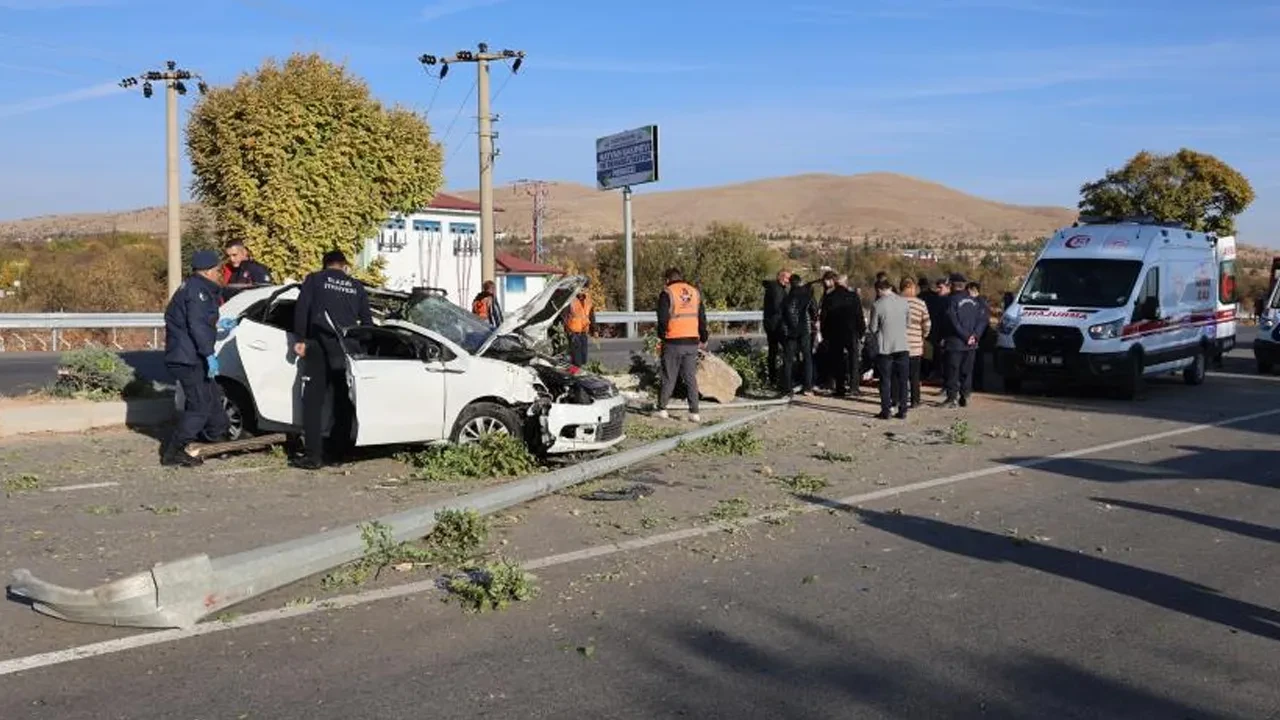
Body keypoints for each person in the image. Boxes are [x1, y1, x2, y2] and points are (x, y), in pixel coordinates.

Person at [292, 250, 373, 470]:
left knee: (312, 402)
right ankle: (338, 454)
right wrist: (363, 348)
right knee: (343, 401)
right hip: (346, 349)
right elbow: (367, 322)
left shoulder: (315, 279)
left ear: (325, 265)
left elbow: (302, 310)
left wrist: (300, 338)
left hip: (318, 345)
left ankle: (313, 456)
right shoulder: (356, 286)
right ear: (344, 266)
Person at [160, 250, 230, 467]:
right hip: (187, 358)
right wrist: (209, 354)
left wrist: (218, 324)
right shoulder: (196, 291)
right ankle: (174, 452)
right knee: (199, 405)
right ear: (209, 271)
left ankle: (218, 439)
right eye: (218, 269)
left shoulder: (197, 288)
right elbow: (197, 325)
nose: (221, 273)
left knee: (212, 396)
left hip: (192, 354)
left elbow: (197, 321)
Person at [655, 267, 708, 422]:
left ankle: (662, 409)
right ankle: (694, 412)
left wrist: (662, 335)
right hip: (692, 340)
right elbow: (702, 317)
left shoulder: (667, 292)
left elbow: (663, 318)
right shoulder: (694, 292)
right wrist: (703, 336)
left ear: (667, 279)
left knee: (669, 376)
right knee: (690, 377)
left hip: (673, 340)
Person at [943, 273, 987, 408]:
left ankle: (952, 398)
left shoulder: (951, 300)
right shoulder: (976, 301)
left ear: (952, 285)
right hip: (972, 343)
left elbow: (953, 321)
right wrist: (975, 336)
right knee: (967, 371)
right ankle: (965, 395)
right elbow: (983, 320)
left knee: (953, 370)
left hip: (956, 342)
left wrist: (965, 336)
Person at [870, 278, 911, 420]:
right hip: (902, 345)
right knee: (903, 380)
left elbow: (873, 328)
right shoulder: (904, 302)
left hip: (885, 347)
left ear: (879, 290)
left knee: (885, 380)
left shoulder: (877, 305)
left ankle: (886, 410)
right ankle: (903, 409)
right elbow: (908, 323)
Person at [821, 274, 866, 396]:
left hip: (834, 332)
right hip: (851, 331)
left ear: (836, 283)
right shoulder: (853, 296)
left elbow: (824, 317)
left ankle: (840, 387)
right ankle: (854, 386)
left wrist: (824, 334)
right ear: (846, 283)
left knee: (838, 360)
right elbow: (859, 315)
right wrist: (861, 331)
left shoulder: (829, 297)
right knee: (853, 360)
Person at [781, 273, 817, 397]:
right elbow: (814, 310)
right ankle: (808, 387)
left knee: (788, 359)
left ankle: (787, 388)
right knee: (807, 358)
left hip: (791, 332)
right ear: (800, 282)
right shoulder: (807, 295)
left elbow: (784, 314)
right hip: (805, 330)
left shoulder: (787, 297)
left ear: (790, 283)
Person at [901, 277, 932, 409]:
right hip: (915, 344)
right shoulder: (921, 304)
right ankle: (915, 400)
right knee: (914, 375)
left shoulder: (896, 302)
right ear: (913, 288)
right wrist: (923, 336)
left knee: (900, 374)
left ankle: (898, 399)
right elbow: (927, 324)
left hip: (899, 344)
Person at [761, 269, 791, 392]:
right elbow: (778, 307)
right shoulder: (777, 290)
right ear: (781, 277)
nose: (789, 281)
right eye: (788, 278)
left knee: (773, 352)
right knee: (786, 350)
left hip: (771, 324)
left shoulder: (773, 288)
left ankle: (774, 379)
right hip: (776, 325)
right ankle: (781, 379)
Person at [967, 281, 993, 392]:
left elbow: (982, 321)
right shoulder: (980, 302)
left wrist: (976, 335)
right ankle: (975, 384)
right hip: (979, 336)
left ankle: (977, 385)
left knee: (976, 362)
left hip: (979, 337)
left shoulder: (980, 303)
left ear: (973, 290)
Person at [925, 277, 952, 381]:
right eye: (937, 288)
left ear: (948, 287)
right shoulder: (936, 300)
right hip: (935, 334)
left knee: (946, 361)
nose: (938, 290)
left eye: (941, 288)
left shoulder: (950, 301)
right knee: (937, 358)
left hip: (945, 335)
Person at [564, 287, 595, 367]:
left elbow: (591, 316)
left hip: (584, 332)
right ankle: (575, 373)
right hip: (573, 332)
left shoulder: (588, 301)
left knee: (583, 357)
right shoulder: (571, 301)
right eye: (580, 289)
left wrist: (594, 330)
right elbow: (565, 317)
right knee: (576, 358)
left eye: (584, 289)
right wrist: (568, 332)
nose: (582, 291)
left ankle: (577, 371)